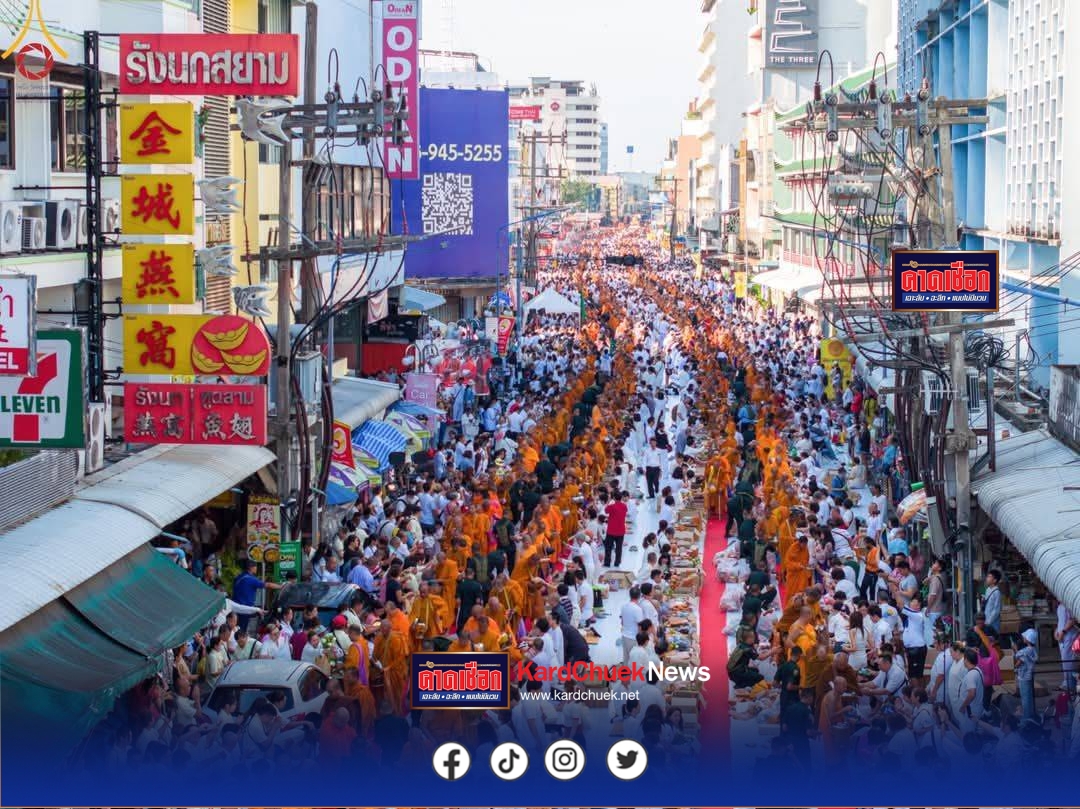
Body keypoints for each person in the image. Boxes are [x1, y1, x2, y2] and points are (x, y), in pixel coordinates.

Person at [1015, 627, 1039, 723]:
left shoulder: (1025, 651)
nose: (1023, 638)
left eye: (1024, 637)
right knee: (1028, 695)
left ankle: (1026, 718)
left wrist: (1014, 668)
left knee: (1025, 697)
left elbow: (1020, 661)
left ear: (1028, 639)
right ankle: (1030, 714)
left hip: (1023, 676)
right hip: (1029, 675)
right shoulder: (1032, 650)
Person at [603, 490, 629, 568]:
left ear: (614, 498)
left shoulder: (611, 506)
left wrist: (608, 502)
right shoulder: (624, 506)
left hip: (611, 531)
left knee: (608, 548)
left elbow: (605, 511)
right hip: (620, 531)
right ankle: (617, 563)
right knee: (619, 548)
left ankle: (607, 563)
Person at [620, 587, 645, 665]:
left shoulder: (624, 606)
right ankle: (633, 676)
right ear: (639, 596)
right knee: (634, 661)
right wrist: (642, 640)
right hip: (633, 638)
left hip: (624, 636)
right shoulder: (637, 609)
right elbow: (640, 626)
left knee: (626, 658)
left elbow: (622, 622)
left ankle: (626, 675)